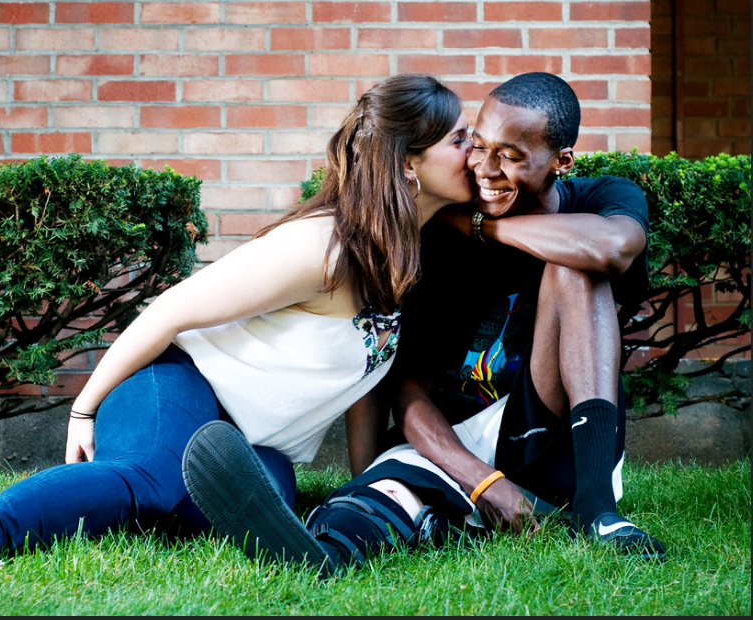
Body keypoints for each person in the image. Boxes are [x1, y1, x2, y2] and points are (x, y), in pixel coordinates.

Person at [0, 72, 475, 574]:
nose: (475, 149)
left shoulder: (404, 254)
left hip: (250, 446)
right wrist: (83, 408)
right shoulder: (324, 247)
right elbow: (170, 309)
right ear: (408, 161)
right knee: (149, 481)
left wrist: (363, 479)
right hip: (180, 386)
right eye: (459, 138)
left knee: (233, 511)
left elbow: (365, 380)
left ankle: (47, 501)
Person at [183, 72, 666, 576]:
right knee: (389, 490)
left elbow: (610, 250)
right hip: (458, 439)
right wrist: (484, 483)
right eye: (478, 146)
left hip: (547, 430)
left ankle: (600, 515)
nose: (486, 169)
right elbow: (408, 389)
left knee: (574, 265)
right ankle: (319, 554)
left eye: (512, 156)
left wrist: (488, 227)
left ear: (562, 161)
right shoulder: (442, 235)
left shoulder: (602, 198)